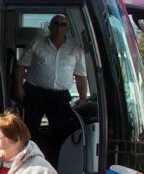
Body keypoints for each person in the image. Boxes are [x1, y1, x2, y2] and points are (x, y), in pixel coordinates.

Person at [13, 14, 88, 162]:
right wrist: (18, 87)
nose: (59, 27)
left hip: (60, 96)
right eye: (56, 23)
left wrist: (83, 96)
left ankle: (56, 162)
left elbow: (81, 75)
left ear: (67, 29)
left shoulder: (75, 49)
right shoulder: (37, 43)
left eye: (63, 24)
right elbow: (21, 66)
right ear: (50, 26)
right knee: (30, 129)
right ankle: (26, 161)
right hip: (35, 92)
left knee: (61, 131)